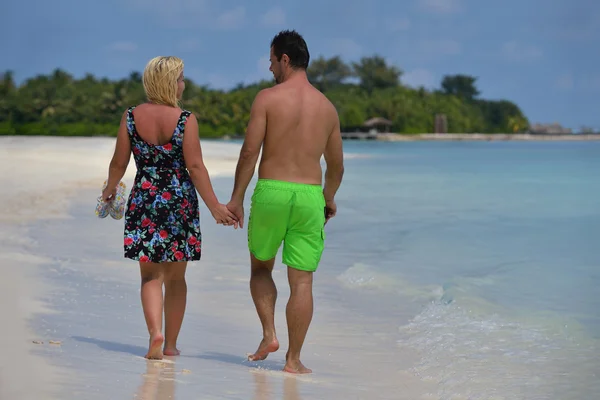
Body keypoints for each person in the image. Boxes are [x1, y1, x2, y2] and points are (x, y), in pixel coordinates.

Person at [101, 56, 237, 360]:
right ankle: (171, 343)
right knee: (176, 278)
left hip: (145, 199)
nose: (183, 84)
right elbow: (195, 166)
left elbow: (119, 162)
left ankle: (155, 334)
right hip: (179, 202)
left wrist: (109, 190)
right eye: (180, 78)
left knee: (150, 277)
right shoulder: (185, 119)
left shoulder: (131, 117)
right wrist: (215, 206)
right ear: (170, 83)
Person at [226, 30, 345, 374]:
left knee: (261, 268)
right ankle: (293, 360)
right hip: (309, 196)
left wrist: (236, 198)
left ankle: (269, 335)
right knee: (303, 282)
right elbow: (336, 165)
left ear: (285, 59)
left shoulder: (267, 99)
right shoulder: (327, 108)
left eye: (272, 60)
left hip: (272, 192)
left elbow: (250, 152)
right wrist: (329, 198)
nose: (269, 68)